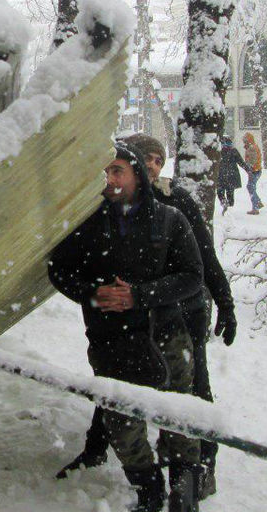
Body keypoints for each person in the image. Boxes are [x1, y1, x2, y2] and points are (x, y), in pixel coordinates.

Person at [58, 134, 236, 500]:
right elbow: (59, 268)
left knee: (185, 408)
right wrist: (94, 294)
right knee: (118, 412)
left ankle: (192, 482)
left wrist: (223, 303)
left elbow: (198, 267)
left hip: (174, 325)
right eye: (106, 172)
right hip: (114, 337)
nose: (112, 178)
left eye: (157, 159)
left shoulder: (172, 209)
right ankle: (145, 486)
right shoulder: (91, 218)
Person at [216, 136, 245, 213]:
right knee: (230, 192)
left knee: (220, 191)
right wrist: (248, 170)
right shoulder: (233, 151)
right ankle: (228, 203)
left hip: (221, 175)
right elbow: (241, 162)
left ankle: (224, 202)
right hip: (231, 176)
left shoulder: (219, 151)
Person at [242, 132, 263, 215]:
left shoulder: (252, 148)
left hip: (254, 171)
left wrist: (248, 167)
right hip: (256, 170)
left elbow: (252, 161)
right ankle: (258, 202)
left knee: (250, 187)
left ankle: (256, 207)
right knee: (251, 187)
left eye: (245, 140)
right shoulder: (252, 146)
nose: (244, 142)